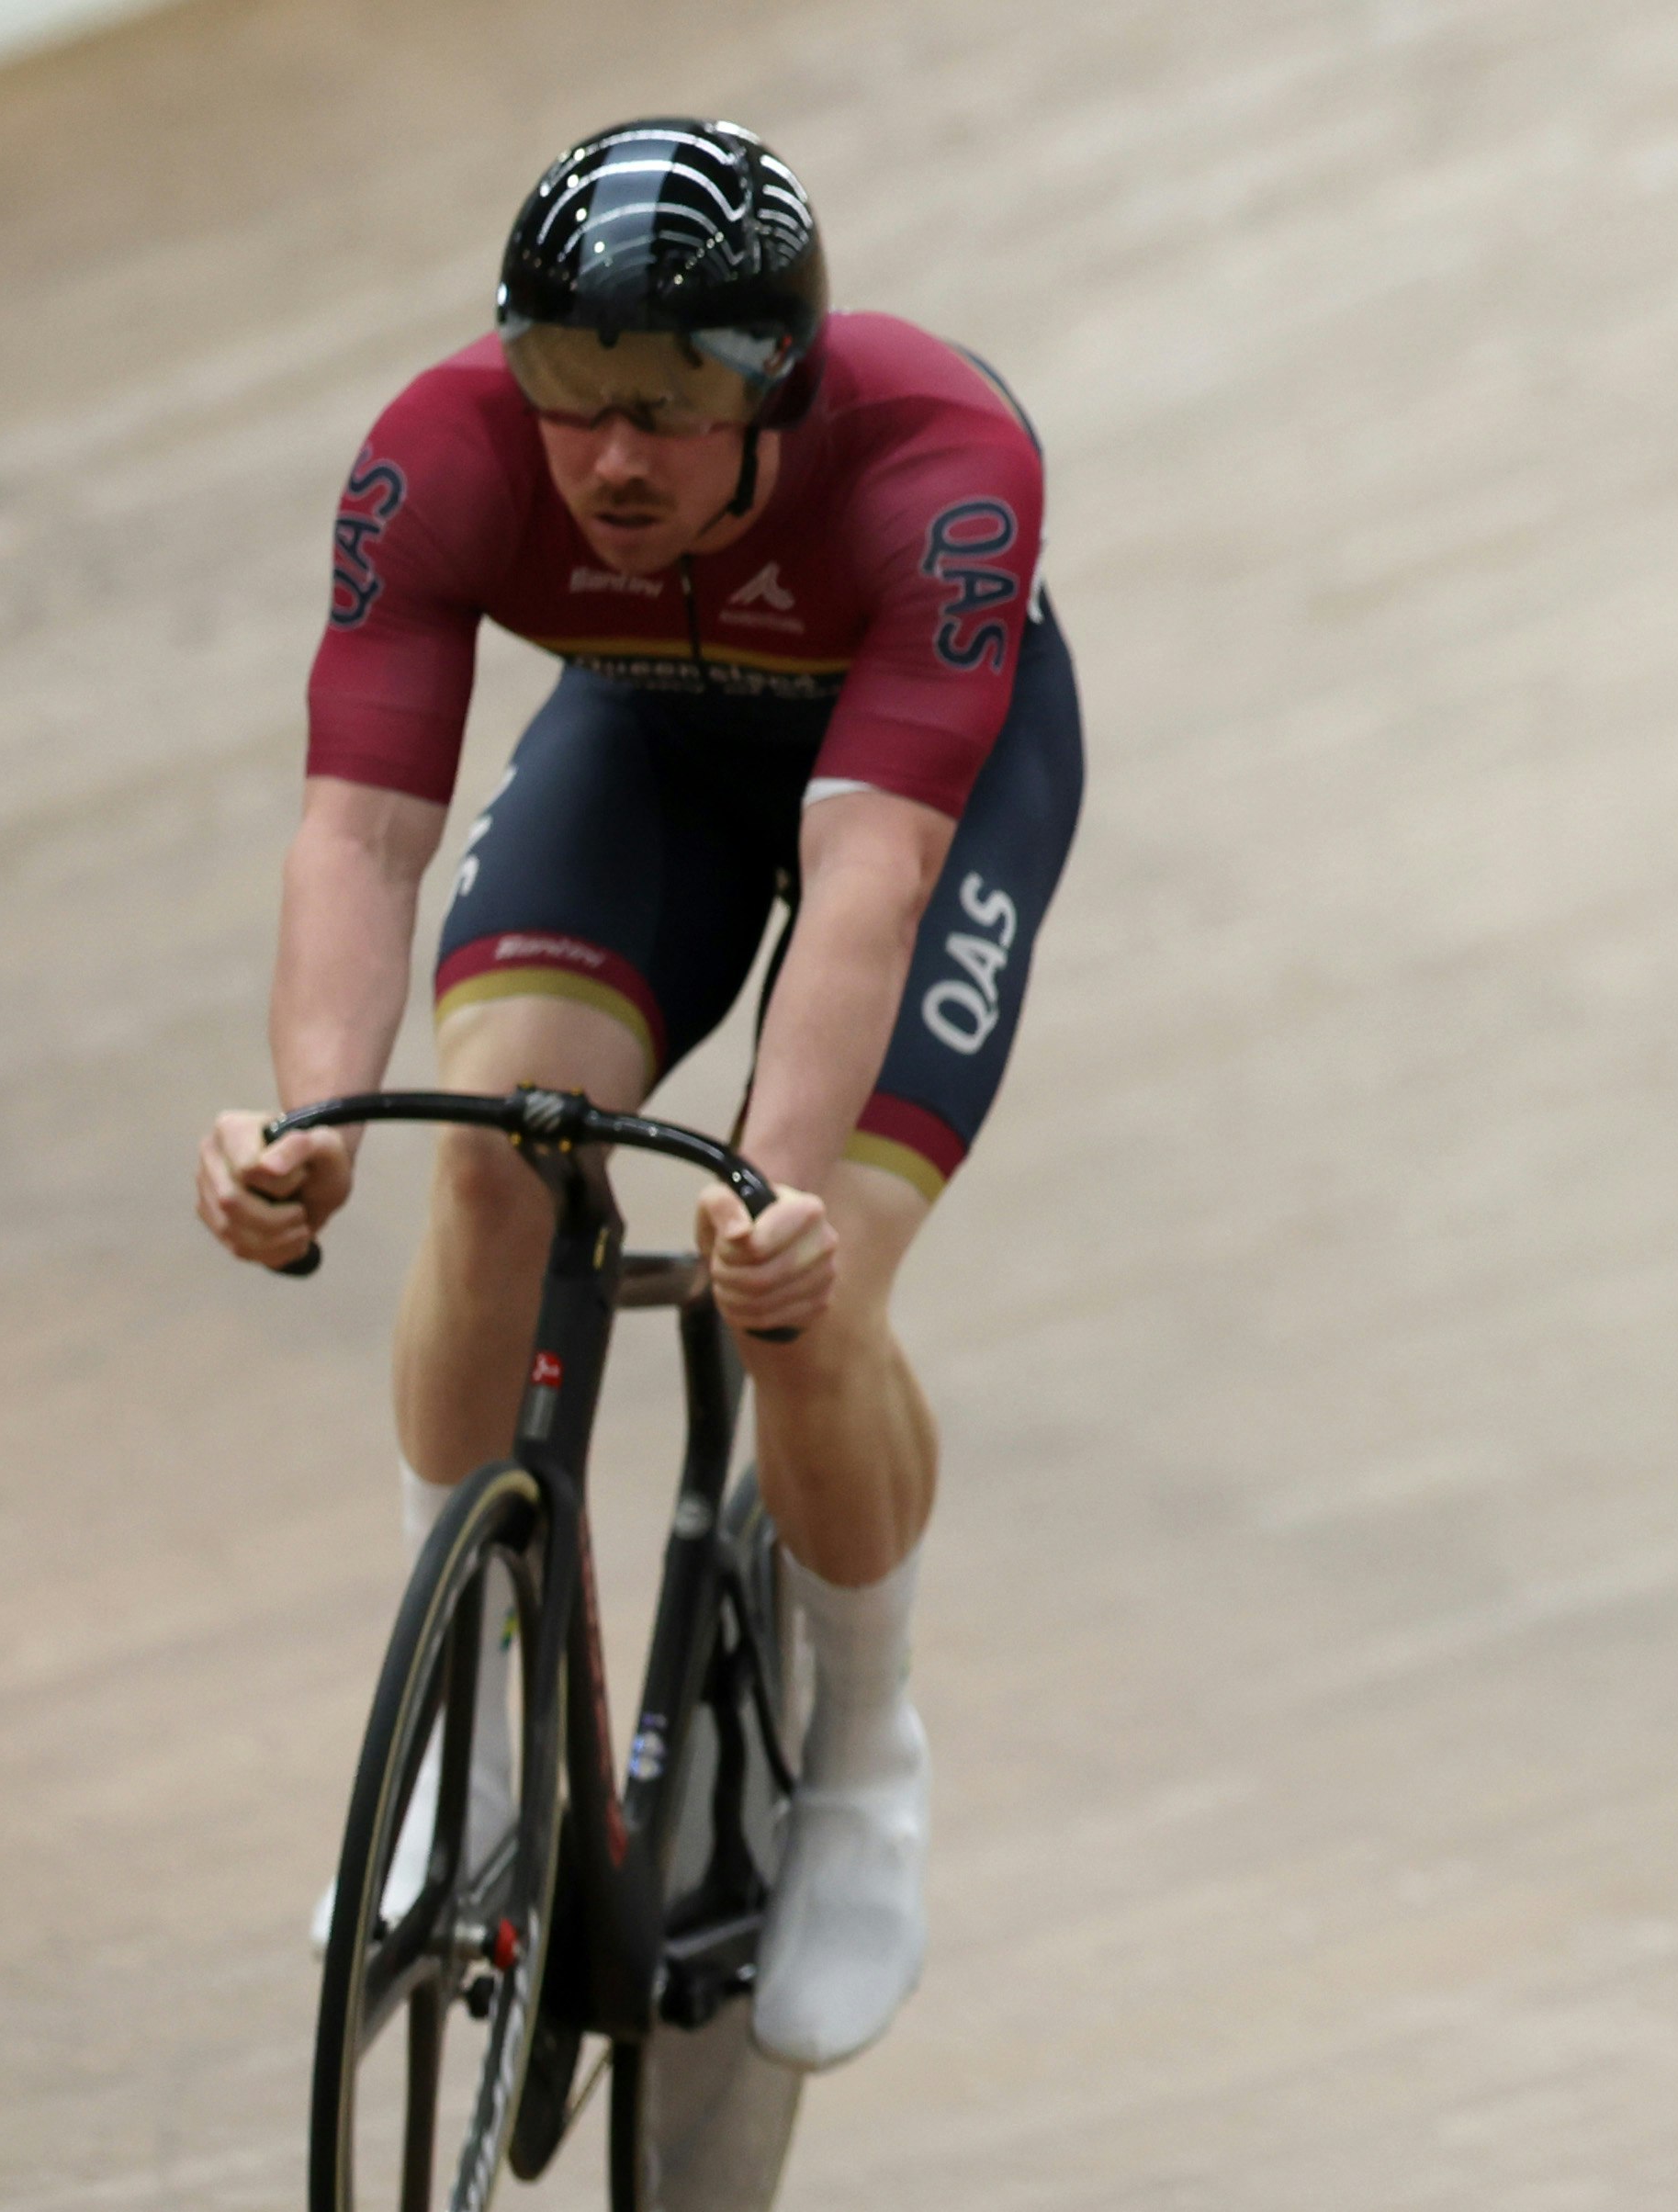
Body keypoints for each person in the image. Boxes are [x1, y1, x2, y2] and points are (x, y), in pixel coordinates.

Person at [191, 118, 1082, 2069]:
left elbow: (869, 875)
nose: (608, 455)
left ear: (782, 387)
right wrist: (310, 1123)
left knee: (808, 1285)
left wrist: (769, 1187)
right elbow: (358, 829)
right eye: (570, 396)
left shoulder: (937, 466)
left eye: (671, 408)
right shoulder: (438, 456)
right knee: (492, 1149)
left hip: (925, 784)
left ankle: (861, 1762)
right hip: (646, 748)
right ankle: (479, 1720)